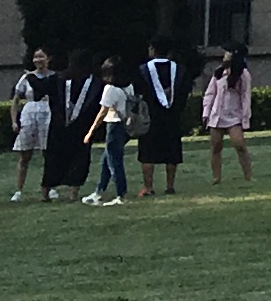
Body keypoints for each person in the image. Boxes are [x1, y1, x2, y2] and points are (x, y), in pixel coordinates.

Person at [41, 55, 95, 203]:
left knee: (68, 160)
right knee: (60, 160)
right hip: (70, 127)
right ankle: (58, 193)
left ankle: (60, 193)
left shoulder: (90, 82)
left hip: (70, 127)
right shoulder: (59, 80)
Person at [198, 46, 255, 184]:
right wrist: (206, 113)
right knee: (216, 147)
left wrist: (245, 118)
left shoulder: (243, 74)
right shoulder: (219, 72)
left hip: (234, 116)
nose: (225, 55)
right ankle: (216, 178)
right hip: (217, 115)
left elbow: (245, 97)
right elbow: (210, 93)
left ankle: (248, 176)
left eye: (228, 52)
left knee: (239, 145)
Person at [136, 40, 185, 198]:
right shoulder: (179, 70)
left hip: (150, 116)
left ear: (153, 50)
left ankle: (148, 187)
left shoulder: (143, 70)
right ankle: (170, 186)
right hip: (172, 116)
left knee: (147, 153)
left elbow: (138, 93)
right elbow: (184, 93)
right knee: (172, 152)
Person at [83, 62, 133, 206]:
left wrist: (91, 131)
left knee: (114, 162)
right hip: (124, 125)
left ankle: (121, 194)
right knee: (106, 159)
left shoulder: (110, 89)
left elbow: (103, 112)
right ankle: (99, 191)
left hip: (113, 124)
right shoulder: (128, 86)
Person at [10, 57, 56, 200]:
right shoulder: (27, 78)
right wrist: (14, 121)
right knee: (24, 155)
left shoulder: (54, 77)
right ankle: (19, 190)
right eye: (36, 57)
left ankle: (50, 187)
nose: (38, 60)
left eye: (42, 56)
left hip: (47, 114)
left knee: (48, 153)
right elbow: (16, 99)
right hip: (29, 115)